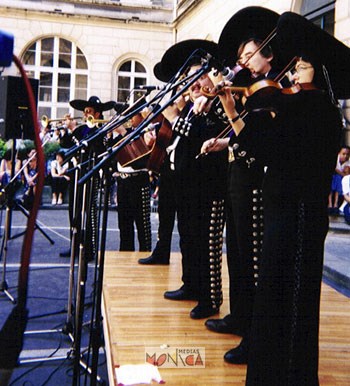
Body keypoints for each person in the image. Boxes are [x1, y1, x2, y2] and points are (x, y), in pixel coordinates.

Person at [210, 41, 343, 386]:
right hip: (283, 210)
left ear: (322, 71)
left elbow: (277, 146)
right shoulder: (298, 104)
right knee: (273, 296)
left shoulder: (318, 109)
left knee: (295, 300)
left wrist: (266, 108)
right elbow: (261, 147)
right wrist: (237, 113)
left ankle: (293, 376)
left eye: (305, 65)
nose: (296, 69)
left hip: (300, 215)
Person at [199, 6, 283, 345]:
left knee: (250, 258)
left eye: (249, 55)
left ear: (268, 55)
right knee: (234, 250)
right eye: (242, 56)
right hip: (236, 176)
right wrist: (222, 141)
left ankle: (252, 332)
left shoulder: (274, 91)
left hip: (254, 184)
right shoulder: (252, 90)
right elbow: (240, 133)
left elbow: (255, 137)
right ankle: (238, 315)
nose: (244, 61)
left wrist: (230, 109)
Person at [154, 39, 228, 319]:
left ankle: (210, 298)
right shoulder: (190, 105)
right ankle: (191, 284)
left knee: (206, 244)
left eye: (198, 79)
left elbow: (202, 138)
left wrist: (174, 117)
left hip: (209, 184)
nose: (193, 86)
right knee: (188, 239)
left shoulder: (219, 105)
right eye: (190, 81)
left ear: (212, 77)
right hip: (187, 183)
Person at [59, 96, 116, 258]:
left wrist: (74, 133)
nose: (85, 115)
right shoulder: (80, 129)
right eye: (84, 112)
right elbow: (65, 144)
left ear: (97, 114)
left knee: (90, 212)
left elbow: (95, 146)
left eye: (89, 111)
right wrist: (67, 130)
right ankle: (74, 245)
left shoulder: (100, 130)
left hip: (91, 174)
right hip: (77, 174)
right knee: (74, 212)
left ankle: (90, 248)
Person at [113, 105, 152, 252]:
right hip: (123, 180)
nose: (129, 119)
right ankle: (125, 253)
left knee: (142, 223)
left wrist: (123, 134)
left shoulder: (145, 131)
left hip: (138, 179)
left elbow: (137, 158)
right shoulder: (127, 133)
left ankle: (145, 252)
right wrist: (112, 135)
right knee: (124, 222)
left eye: (133, 116)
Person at [328, 146, 350, 214]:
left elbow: (347, 174)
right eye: (343, 154)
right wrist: (342, 173)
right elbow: (335, 169)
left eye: (347, 154)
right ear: (339, 153)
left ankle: (336, 203)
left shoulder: (348, 162)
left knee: (339, 179)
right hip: (332, 176)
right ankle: (330, 203)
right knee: (334, 179)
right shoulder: (335, 159)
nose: (345, 156)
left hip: (340, 179)